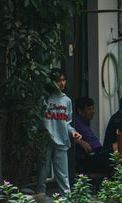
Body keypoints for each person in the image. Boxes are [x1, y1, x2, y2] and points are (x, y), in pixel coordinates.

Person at [38, 68, 81, 196]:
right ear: (51, 82)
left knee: (63, 176)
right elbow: (37, 120)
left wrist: (72, 132)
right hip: (45, 140)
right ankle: (41, 198)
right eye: (58, 80)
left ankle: (66, 199)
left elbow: (67, 122)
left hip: (62, 140)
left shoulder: (67, 101)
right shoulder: (44, 99)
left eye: (63, 80)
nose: (61, 83)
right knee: (42, 175)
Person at [73, 97, 112, 177]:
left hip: (97, 153)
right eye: (89, 109)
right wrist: (79, 142)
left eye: (93, 109)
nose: (93, 111)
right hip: (88, 158)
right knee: (116, 147)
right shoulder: (75, 123)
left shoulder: (85, 122)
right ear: (80, 111)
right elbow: (67, 137)